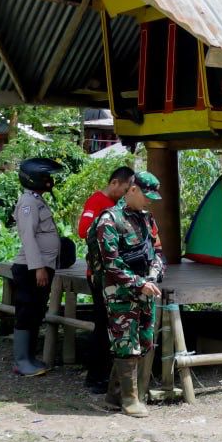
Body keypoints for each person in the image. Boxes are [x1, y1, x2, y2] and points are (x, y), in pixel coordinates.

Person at [95, 171, 165, 417]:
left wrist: (154, 274)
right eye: (147, 196)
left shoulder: (146, 219)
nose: (150, 201)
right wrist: (138, 283)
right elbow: (111, 263)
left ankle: (114, 396)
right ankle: (129, 400)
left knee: (144, 340)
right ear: (132, 190)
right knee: (125, 342)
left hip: (146, 287)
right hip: (120, 291)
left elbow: (157, 251)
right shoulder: (109, 220)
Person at [78, 165, 135, 394]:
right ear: (114, 183)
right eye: (125, 188)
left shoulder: (118, 206)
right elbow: (83, 230)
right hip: (100, 275)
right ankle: (95, 377)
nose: (126, 192)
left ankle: (104, 373)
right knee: (102, 326)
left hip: (115, 276)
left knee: (110, 326)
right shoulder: (97, 202)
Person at [12, 157, 65, 376]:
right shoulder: (28, 202)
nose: (49, 180)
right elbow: (28, 237)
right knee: (26, 311)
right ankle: (21, 361)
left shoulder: (37, 200)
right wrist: (38, 267)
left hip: (42, 266)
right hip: (30, 268)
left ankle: (30, 358)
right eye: (45, 176)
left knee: (35, 312)